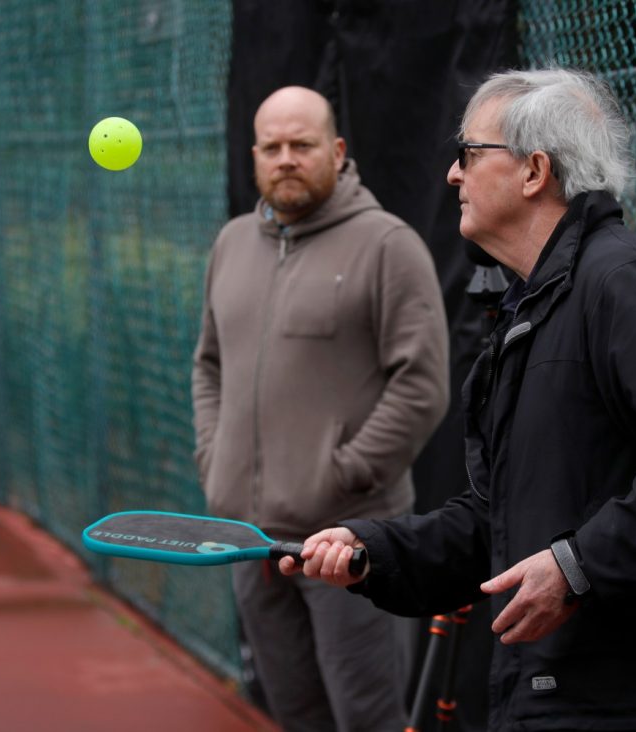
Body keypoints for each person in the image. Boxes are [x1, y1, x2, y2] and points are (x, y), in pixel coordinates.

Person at [281, 67, 636, 731]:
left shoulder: (622, 282)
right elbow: (496, 524)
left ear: (534, 171)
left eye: (469, 154)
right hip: (564, 697)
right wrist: (374, 552)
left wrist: (576, 567)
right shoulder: (527, 317)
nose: (453, 175)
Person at [192, 85, 450, 731]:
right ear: (253, 155)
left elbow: (421, 385)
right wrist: (214, 457)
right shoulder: (230, 244)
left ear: (335, 151)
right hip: (249, 545)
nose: (285, 158)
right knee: (293, 713)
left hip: (349, 546)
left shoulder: (388, 245)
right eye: (271, 147)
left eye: (301, 145)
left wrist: (341, 478)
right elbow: (209, 365)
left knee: (369, 719)